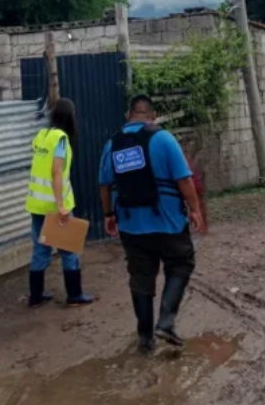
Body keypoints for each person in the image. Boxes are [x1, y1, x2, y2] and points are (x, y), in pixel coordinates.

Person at [98, 94, 205, 352]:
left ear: (128, 115)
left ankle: (145, 338)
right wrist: (195, 210)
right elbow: (183, 179)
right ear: (153, 116)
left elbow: (104, 185)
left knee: (141, 277)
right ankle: (166, 322)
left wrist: (109, 214)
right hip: (167, 223)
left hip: (131, 226)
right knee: (180, 264)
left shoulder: (112, 144)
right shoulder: (164, 138)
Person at [25, 98, 95, 308]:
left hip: (36, 204)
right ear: (69, 118)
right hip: (55, 206)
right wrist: (61, 206)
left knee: (40, 249)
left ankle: (36, 296)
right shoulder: (61, 140)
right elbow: (56, 172)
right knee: (69, 250)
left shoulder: (41, 135)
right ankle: (74, 295)